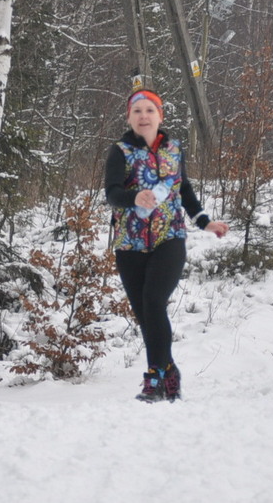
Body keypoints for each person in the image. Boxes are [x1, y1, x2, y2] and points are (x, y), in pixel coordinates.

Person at [104, 89, 228, 402]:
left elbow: (184, 190)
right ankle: (169, 372)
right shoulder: (120, 151)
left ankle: (156, 378)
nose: (143, 116)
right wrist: (134, 197)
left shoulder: (174, 150)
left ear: (160, 116)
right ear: (129, 118)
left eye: (150, 110)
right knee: (146, 314)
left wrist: (204, 221)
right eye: (137, 111)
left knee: (154, 300)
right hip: (129, 244)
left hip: (169, 238)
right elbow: (112, 193)